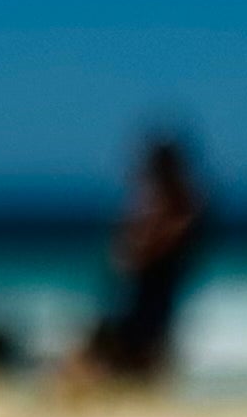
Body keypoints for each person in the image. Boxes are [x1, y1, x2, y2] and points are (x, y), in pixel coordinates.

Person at [71, 133, 211, 385]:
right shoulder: (182, 207)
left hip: (148, 306)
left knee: (114, 359)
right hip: (144, 304)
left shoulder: (180, 210)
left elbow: (133, 254)